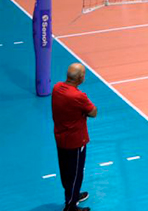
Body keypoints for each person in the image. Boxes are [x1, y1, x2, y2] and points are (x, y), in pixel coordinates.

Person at [52, 63, 97, 211]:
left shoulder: (57, 88)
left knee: (66, 171)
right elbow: (93, 112)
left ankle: (73, 195)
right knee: (76, 174)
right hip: (76, 141)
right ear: (80, 78)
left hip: (61, 138)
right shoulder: (78, 96)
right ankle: (70, 206)